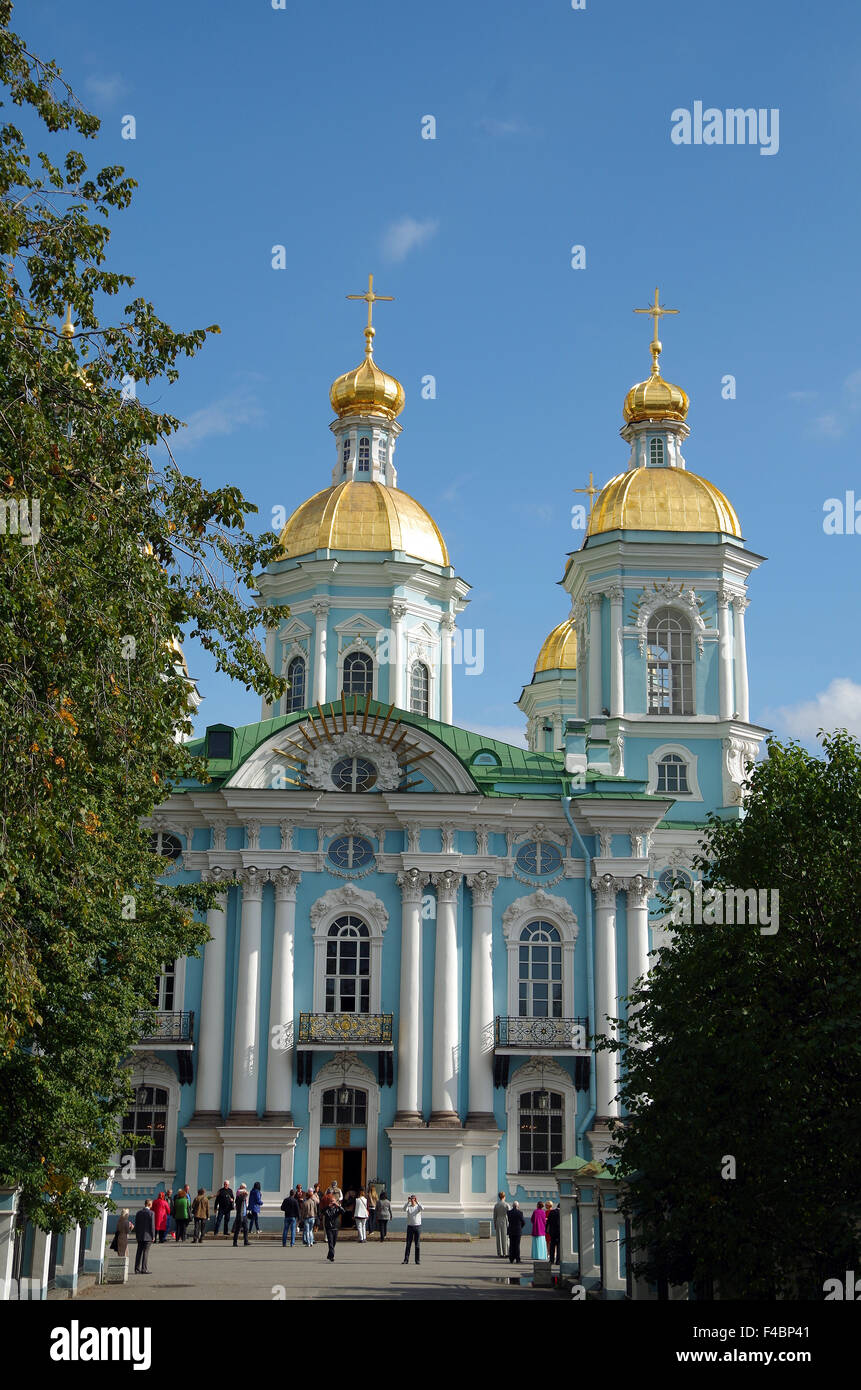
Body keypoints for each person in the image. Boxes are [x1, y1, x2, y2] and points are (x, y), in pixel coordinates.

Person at [133, 1199, 155, 1274]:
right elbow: (152, 1226)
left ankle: (136, 1269)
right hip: (148, 1236)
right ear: (149, 1204)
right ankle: (144, 1269)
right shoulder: (151, 1213)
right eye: (151, 1204)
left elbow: (136, 1225)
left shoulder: (139, 1213)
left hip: (140, 1235)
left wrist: (137, 1235)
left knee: (139, 1252)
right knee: (145, 1252)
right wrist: (153, 1236)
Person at [322, 1193, 344, 1262]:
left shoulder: (337, 1209)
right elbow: (322, 1212)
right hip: (329, 1227)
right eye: (331, 1201)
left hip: (336, 1227)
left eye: (333, 1201)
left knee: (334, 1243)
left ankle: (329, 1255)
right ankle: (332, 1256)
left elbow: (343, 1212)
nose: (332, 1202)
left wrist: (338, 1205)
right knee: (330, 1242)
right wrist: (328, 1206)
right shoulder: (327, 1209)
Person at [402, 1195, 423, 1265]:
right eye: (411, 1199)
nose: (412, 1200)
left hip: (417, 1227)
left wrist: (417, 1202)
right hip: (410, 1227)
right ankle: (406, 1259)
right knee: (408, 1244)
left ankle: (417, 1260)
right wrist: (407, 1202)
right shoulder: (409, 1207)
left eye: (413, 1199)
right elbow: (404, 1209)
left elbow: (422, 1208)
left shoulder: (418, 1207)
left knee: (417, 1245)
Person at [492, 1192, 510, 1257]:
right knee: (505, 1237)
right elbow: (509, 1215)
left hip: (498, 1220)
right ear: (504, 1196)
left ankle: (500, 1252)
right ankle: (506, 1252)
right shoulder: (507, 1205)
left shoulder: (496, 1205)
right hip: (505, 1220)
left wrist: (494, 1223)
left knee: (499, 1237)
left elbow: (494, 1215)